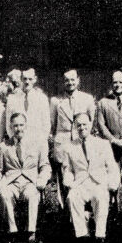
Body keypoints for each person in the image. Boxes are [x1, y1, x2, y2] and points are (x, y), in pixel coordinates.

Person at [0, 111, 51, 243]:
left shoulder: (38, 144)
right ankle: (11, 234)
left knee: (32, 196)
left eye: (21, 125)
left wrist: (42, 179)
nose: (18, 129)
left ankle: (30, 236)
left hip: (30, 182)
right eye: (15, 126)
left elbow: (45, 166)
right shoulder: (4, 146)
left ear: (26, 126)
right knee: (4, 195)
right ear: (10, 127)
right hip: (11, 182)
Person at [61, 111, 119, 243]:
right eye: (78, 125)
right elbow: (67, 169)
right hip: (80, 183)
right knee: (72, 197)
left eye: (84, 124)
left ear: (91, 124)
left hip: (98, 182)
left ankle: (100, 237)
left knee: (101, 197)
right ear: (75, 127)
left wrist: (113, 183)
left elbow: (112, 167)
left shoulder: (103, 144)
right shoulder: (69, 147)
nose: (82, 128)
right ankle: (82, 236)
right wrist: (67, 180)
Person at [50, 69, 96, 203]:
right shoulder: (56, 101)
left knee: (82, 176)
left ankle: (84, 212)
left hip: (80, 143)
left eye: (72, 80)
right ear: (63, 82)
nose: (70, 83)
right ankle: (65, 213)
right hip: (62, 145)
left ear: (78, 80)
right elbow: (53, 124)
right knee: (64, 179)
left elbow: (91, 122)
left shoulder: (87, 99)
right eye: (66, 80)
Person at [4, 67, 51, 143]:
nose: (27, 82)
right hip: (18, 142)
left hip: (37, 142)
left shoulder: (42, 98)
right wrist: (15, 141)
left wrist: (41, 143)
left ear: (35, 79)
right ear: (21, 79)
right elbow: (8, 124)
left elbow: (46, 124)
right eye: (25, 79)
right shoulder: (12, 99)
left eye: (30, 79)